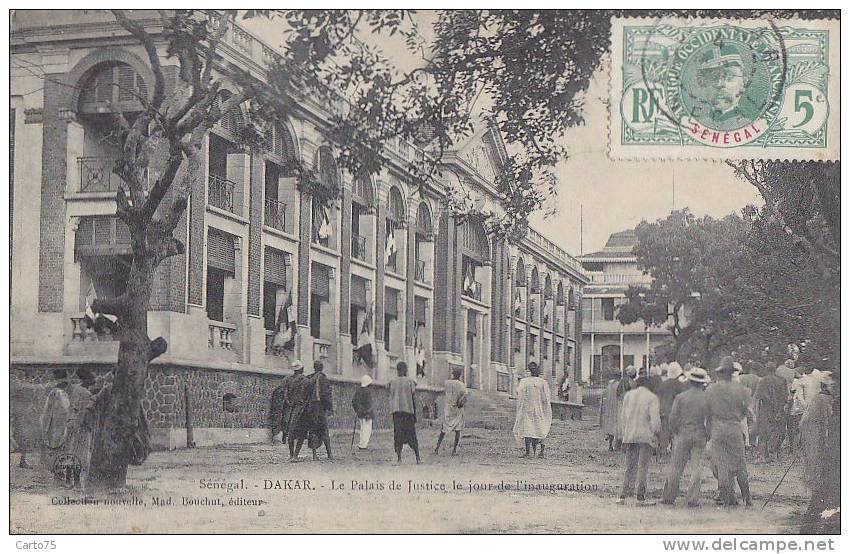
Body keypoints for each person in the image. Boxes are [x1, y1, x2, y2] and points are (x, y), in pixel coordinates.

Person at [705, 356, 752, 507]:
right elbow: (746, 412)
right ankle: (747, 498)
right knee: (740, 464)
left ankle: (727, 498)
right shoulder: (742, 390)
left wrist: (708, 429)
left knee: (721, 463)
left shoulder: (711, 389)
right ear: (732, 372)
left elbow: (707, 411)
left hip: (718, 427)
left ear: (720, 372)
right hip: (734, 426)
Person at [661, 367, 711, 507]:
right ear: (702, 383)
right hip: (700, 434)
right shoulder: (706, 398)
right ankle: (692, 498)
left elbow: (673, 418)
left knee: (676, 467)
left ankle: (669, 496)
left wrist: (676, 432)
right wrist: (708, 434)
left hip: (683, 434)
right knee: (697, 468)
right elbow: (710, 420)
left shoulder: (681, 397)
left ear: (690, 381)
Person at [616, 375, 660, 506]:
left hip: (630, 435)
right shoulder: (652, 398)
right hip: (645, 436)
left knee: (629, 466)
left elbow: (623, 417)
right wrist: (656, 435)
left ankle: (623, 495)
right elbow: (655, 422)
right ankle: (640, 497)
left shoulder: (628, 396)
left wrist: (624, 434)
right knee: (643, 467)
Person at [800, 373, 834, 496]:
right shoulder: (822, 398)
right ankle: (813, 484)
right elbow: (826, 418)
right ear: (824, 386)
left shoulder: (824, 397)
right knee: (813, 456)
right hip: (811, 428)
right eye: (832, 385)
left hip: (814, 427)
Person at [513, 362, 553, 458]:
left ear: (529, 370)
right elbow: (546, 397)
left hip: (528, 408)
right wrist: (545, 407)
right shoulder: (542, 382)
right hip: (539, 409)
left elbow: (518, 391)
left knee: (529, 428)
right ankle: (541, 452)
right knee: (540, 427)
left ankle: (529, 452)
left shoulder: (524, 381)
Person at [754, 365, 789, 462]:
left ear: (766, 370)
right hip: (779, 409)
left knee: (764, 432)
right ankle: (775, 454)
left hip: (766, 409)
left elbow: (759, 397)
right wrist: (779, 409)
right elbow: (785, 397)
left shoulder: (763, 381)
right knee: (778, 431)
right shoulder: (782, 381)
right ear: (775, 370)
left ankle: (763, 456)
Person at [389, 361, 421, 464]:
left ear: (397, 370)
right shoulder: (410, 382)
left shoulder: (392, 382)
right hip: (408, 411)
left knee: (398, 435)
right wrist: (415, 413)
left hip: (396, 412)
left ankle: (399, 458)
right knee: (412, 434)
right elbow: (413, 397)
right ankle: (418, 458)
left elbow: (389, 391)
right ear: (406, 370)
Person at [40, 369, 72, 471]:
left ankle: (57, 466)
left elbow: (47, 409)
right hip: (58, 420)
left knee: (57, 443)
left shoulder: (55, 392)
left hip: (56, 421)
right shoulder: (60, 391)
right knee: (59, 443)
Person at [435, 366, 468, 456]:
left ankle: (437, 448)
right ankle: (454, 450)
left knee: (444, 429)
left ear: (453, 374)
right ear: (460, 375)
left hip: (448, 408)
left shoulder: (447, 383)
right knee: (457, 430)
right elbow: (465, 396)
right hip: (457, 409)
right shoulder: (462, 385)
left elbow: (442, 390)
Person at [656, 362, 686, 456]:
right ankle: (674, 451)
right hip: (674, 412)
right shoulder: (679, 385)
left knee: (664, 432)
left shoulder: (662, 384)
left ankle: (663, 451)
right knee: (675, 432)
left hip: (663, 411)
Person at [285, 361, 313, 462]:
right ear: (302, 369)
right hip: (302, 409)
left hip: (291, 409)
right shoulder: (307, 381)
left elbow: (286, 395)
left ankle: (291, 454)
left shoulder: (288, 379)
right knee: (301, 432)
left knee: (291, 432)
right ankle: (295, 455)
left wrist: (289, 403)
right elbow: (310, 397)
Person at [307, 361, 333, 461]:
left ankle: (314, 455)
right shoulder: (323, 378)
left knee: (312, 430)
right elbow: (326, 394)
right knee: (324, 430)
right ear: (322, 368)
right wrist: (329, 407)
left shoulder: (309, 378)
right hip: (320, 407)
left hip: (311, 407)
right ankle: (329, 454)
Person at [351, 374, 375, 451]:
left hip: (360, 413)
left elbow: (353, 401)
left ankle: (362, 443)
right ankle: (363, 445)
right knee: (367, 429)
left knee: (362, 428)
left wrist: (357, 410)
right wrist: (368, 412)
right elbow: (369, 404)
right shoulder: (368, 391)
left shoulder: (358, 391)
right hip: (367, 414)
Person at [600, 372, 621, 451]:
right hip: (616, 408)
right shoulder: (619, 385)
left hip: (608, 409)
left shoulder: (609, 386)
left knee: (610, 426)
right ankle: (617, 445)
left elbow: (604, 397)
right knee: (617, 426)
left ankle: (610, 444)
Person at [268, 376, 290, 444]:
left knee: (285, 422)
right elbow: (276, 402)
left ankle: (284, 438)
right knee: (277, 422)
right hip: (278, 409)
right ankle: (276, 438)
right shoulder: (279, 390)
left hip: (285, 409)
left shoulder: (288, 390)